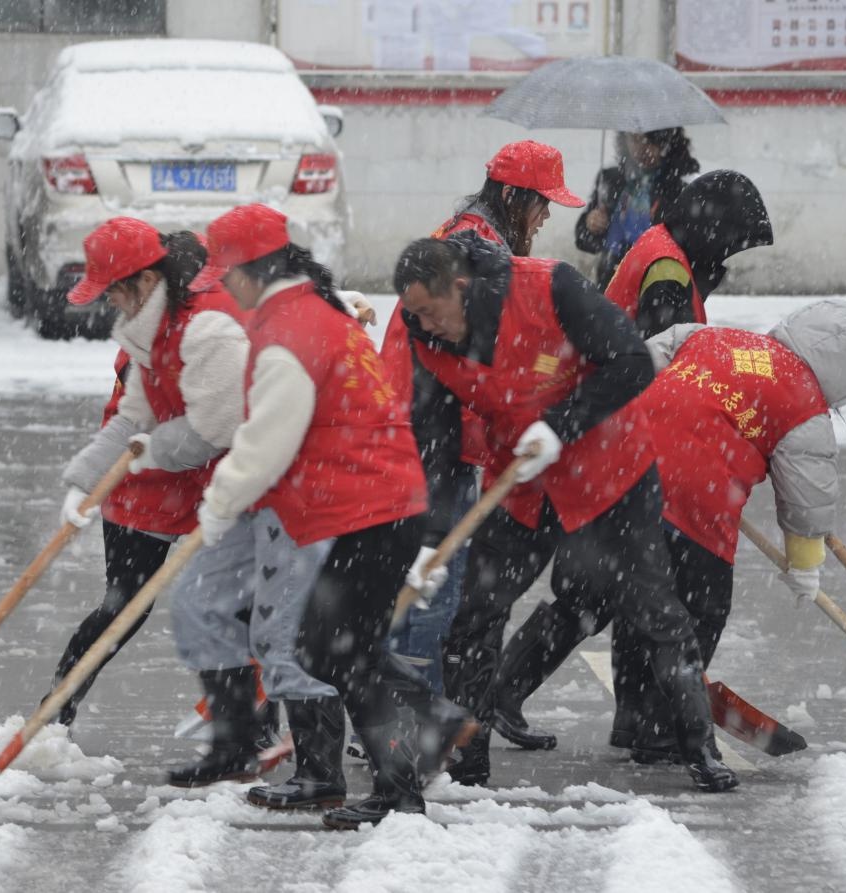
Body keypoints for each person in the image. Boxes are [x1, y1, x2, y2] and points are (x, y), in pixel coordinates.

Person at [392, 231, 738, 793]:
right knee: (475, 617)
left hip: (609, 476)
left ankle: (699, 748)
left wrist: (560, 426)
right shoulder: (427, 340)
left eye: (431, 312)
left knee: (655, 611)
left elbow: (631, 361)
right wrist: (432, 537)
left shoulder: (548, 287)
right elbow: (435, 440)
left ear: (460, 286)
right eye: (415, 315)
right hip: (523, 485)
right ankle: (466, 759)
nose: (426, 325)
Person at [177, 202, 475, 829]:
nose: (224, 290)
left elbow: (266, 440)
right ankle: (425, 737)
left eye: (226, 277)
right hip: (381, 501)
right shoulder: (315, 312)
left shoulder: (288, 333)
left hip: (366, 506)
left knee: (332, 651)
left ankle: (414, 757)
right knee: (342, 649)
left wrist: (220, 503)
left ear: (252, 271)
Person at [610, 300, 846, 761]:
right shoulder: (806, 404)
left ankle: (634, 716)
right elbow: (807, 501)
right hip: (696, 502)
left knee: (641, 601)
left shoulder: (716, 338)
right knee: (702, 609)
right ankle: (660, 723)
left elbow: (642, 360)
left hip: (628, 470)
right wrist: (805, 567)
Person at [387, 140, 587, 691]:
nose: (546, 217)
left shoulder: (472, 239)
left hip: (429, 430)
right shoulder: (475, 255)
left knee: (432, 574)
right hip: (429, 433)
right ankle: (405, 711)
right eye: (542, 204)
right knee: (436, 578)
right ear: (511, 195)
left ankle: (400, 709)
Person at [45, 217, 248, 729]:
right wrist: (85, 479)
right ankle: (55, 711)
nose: (112, 305)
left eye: (114, 292)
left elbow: (216, 425)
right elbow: (132, 418)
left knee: (240, 603)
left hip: (216, 468)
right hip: (147, 473)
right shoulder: (149, 328)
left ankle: (248, 725)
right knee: (125, 604)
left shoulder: (212, 313)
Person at [605, 169, 772, 338]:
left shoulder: (662, 239)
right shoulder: (669, 272)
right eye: (724, 247)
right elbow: (664, 356)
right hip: (622, 362)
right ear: (710, 231)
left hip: (613, 359)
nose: (721, 257)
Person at [575, 128, 701, 289]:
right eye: (634, 139)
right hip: (611, 285)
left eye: (650, 141)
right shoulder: (611, 178)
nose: (642, 148)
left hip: (659, 287)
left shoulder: (680, 186)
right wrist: (591, 225)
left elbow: (689, 249)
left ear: (666, 142)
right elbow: (585, 241)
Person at [432, 140, 586, 255]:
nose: (547, 214)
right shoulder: (471, 246)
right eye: (542, 202)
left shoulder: (490, 239)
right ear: (509, 195)